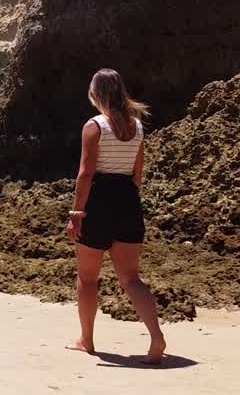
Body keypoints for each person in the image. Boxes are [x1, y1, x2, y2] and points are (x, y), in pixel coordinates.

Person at [65, 68, 167, 363]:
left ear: (95, 94)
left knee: (87, 277)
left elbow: (85, 173)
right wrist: (127, 199)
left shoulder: (94, 126)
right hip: (127, 198)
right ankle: (156, 339)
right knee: (131, 278)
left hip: (98, 199)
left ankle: (87, 340)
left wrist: (77, 213)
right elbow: (138, 171)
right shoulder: (137, 126)